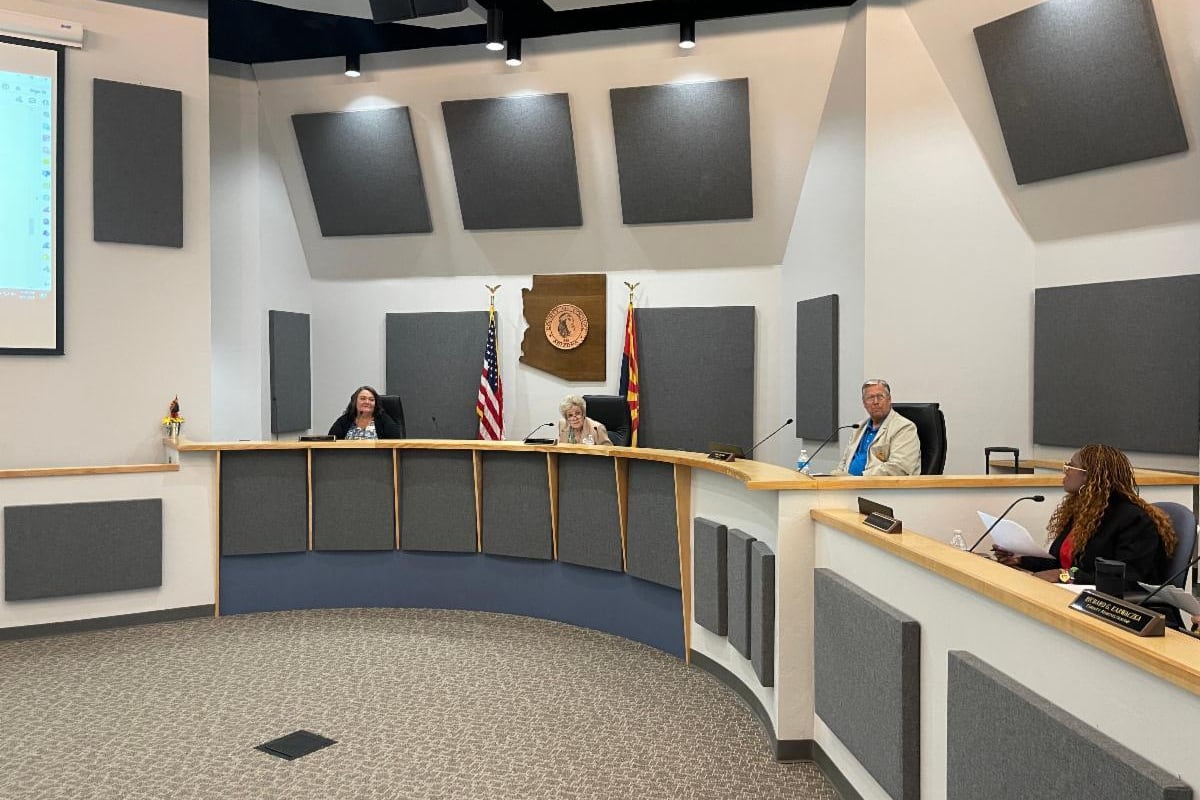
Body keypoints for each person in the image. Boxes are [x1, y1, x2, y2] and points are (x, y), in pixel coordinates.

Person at [993, 444, 1175, 588]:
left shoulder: (1133, 519)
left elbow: (1129, 579)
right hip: (1073, 595)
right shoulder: (1084, 512)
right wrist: (1020, 560)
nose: (1065, 471)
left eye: (1071, 466)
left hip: (1113, 608)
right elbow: (1063, 564)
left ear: (1091, 476)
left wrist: (1065, 576)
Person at [833, 379, 921, 476]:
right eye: (870, 398)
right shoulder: (858, 427)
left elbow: (898, 469)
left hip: (881, 489)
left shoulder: (904, 428)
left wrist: (859, 479)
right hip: (849, 488)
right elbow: (844, 462)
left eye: (880, 396)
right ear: (864, 403)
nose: (875, 402)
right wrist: (837, 477)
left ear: (889, 399)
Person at [328, 386, 404, 440]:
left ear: (375, 404)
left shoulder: (383, 420)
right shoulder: (345, 420)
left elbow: (396, 441)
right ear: (355, 402)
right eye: (362, 398)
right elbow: (330, 441)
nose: (367, 402)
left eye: (371, 399)